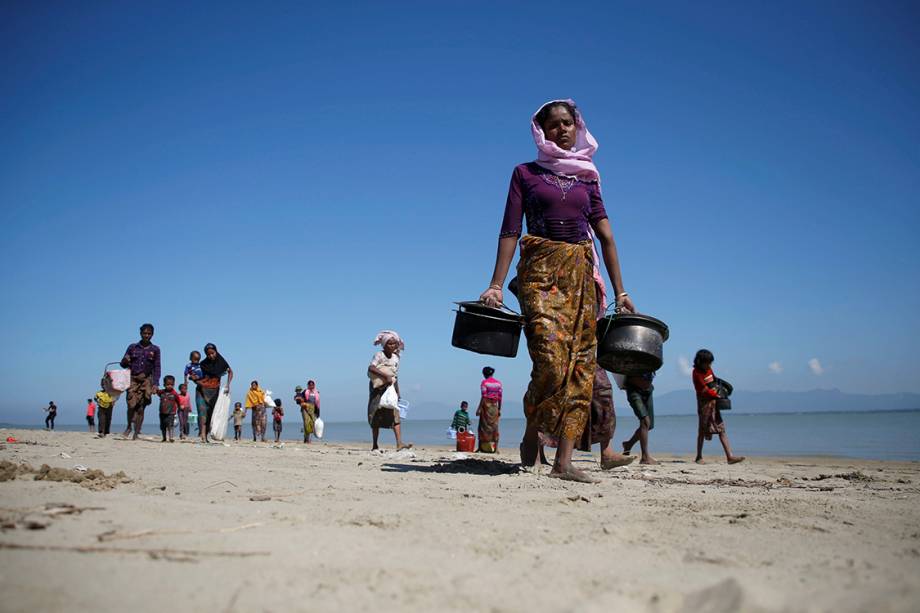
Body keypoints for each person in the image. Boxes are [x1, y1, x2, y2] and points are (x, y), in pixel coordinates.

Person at [479, 99, 636, 482]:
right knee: (550, 361)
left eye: (568, 123)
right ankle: (533, 430)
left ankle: (564, 463)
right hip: (539, 272)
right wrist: (496, 285)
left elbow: (607, 237)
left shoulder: (587, 177)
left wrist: (621, 291)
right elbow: (510, 231)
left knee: (581, 366)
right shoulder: (525, 174)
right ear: (541, 130)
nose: (563, 130)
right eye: (554, 125)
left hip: (581, 276)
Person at [692, 349, 744, 465]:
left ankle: (729, 456)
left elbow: (714, 381)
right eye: (708, 363)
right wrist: (716, 395)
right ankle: (699, 456)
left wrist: (722, 389)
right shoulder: (696, 373)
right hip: (704, 404)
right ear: (700, 362)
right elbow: (703, 388)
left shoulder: (709, 370)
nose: (709, 365)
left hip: (714, 403)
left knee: (721, 429)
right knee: (702, 430)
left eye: (711, 363)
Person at [367, 330, 411, 451]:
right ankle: (375, 445)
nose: (392, 346)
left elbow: (395, 376)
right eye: (389, 344)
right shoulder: (379, 355)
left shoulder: (396, 358)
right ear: (384, 344)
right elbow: (371, 367)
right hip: (378, 390)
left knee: (395, 416)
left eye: (393, 344)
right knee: (375, 415)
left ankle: (399, 443)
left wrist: (398, 392)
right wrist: (384, 376)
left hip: (390, 389)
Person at [120, 323, 161, 439]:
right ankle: (129, 426)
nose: (146, 336)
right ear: (140, 333)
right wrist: (125, 360)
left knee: (141, 406)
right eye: (144, 333)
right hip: (132, 379)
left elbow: (157, 367)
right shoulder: (132, 347)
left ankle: (137, 432)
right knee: (131, 405)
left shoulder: (155, 349)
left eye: (149, 334)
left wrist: (155, 384)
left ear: (152, 335)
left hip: (146, 380)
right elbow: (123, 364)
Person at [191, 343, 233, 443]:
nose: (211, 356)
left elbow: (230, 372)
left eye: (213, 353)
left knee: (211, 414)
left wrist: (228, 384)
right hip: (201, 391)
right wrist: (196, 380)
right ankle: (203, 437)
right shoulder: (203, 364)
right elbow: (195, 376)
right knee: (202, 413)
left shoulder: (222, 362)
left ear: (216, 351)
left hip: (214, 392)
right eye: (208, 354)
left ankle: (207, 435)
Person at [622, 372, 657, 464]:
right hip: (634, 389)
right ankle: (645, 457)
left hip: (648, 390)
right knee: (645, 421)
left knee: (649, 425)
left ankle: (628, 445)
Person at [476, 367, 502, 453]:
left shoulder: (484, 383)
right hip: (494, 406)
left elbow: (483, 396)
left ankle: (480, 447)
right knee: (495, 427)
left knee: (482, 427)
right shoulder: (498, 383)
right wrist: (499, 409)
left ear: (484, 374)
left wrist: (479, 408)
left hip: (486, 406)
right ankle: (496, 449)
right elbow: (500, 397)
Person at [156, 375, 180, 443]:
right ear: (164, 385)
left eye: (171, 384)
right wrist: (155, 389)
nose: (170, 386)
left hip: (171, 413)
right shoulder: (162, 392)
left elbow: (178, 401)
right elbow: (157, 392)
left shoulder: (174, 394)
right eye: (168, 384)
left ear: (174, 384)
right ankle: (164, 438)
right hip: (162, 412)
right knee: (163, 426)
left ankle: (171, 437)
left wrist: (180, 407)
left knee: (170, 425)